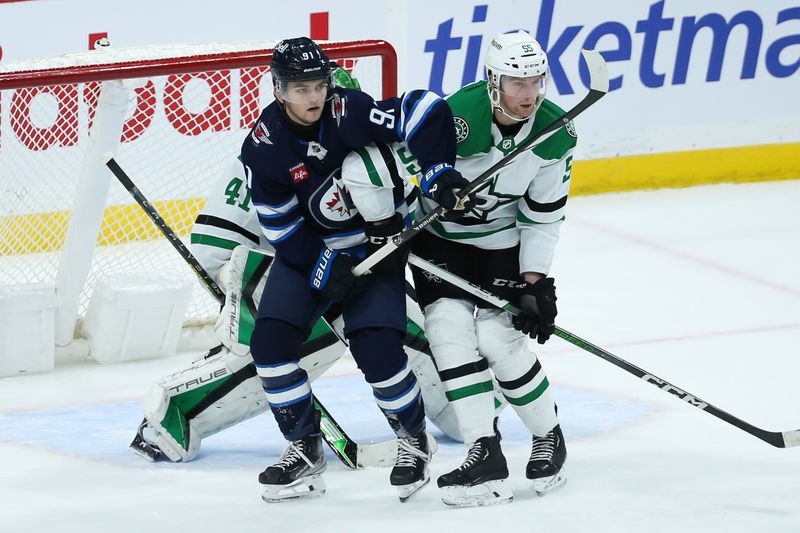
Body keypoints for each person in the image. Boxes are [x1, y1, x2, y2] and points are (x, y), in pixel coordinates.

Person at [128, 68, 479, 465]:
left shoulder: (362, 138)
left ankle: (464, 411)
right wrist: (251, 289)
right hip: (273, 264)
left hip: (354, 262)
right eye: (306, 93)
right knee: (279, 347)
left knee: (395, 334)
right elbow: (218, 250)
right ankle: (176, 416)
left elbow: (398, 199)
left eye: (323, 93)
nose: (320, 105)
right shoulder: (264, 156)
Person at [242, 37, 467, 503]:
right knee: (269, 346)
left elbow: (424, 108)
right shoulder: (266, 145)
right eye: (300, 89)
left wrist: (439, 171)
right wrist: (323, 263)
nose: (314, 97)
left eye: (319, 85)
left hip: (376, 249)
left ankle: (413, 440)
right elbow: (280, 226)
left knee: (378, 351)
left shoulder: (350, 111)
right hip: (309, 253)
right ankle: (304, 450)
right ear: (278, 89)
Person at [408, 30, 573, 507]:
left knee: (500, 339)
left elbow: (542, 218)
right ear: (492, 81)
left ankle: (550, 436)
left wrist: (534, 283)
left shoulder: (555, 132)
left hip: (502, 245)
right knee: (448, 331)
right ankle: (484, 450)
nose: (527, 93)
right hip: (440, 243)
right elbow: (410, 169)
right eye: (515, 82)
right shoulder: (456, 116)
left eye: (535, 81)